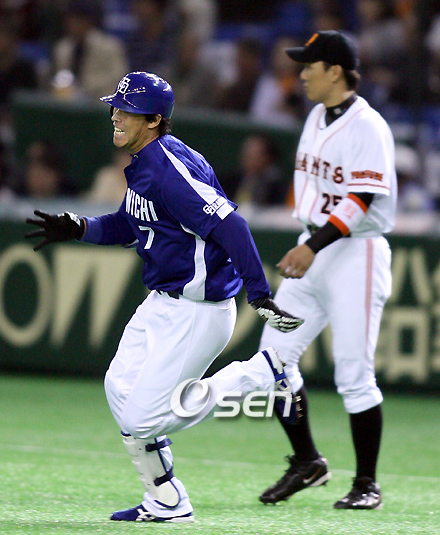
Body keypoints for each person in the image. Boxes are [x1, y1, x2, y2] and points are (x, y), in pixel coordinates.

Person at [25, 71, 304, 523]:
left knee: (144, 419)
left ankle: (264, 372)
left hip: (198, 310)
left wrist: (258, 292)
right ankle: (167, 499)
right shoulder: (147, 159)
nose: (115, 116)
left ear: (154, 119)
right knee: (119, 389)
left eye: (127, 110)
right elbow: (129, 224)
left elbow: (232, 225)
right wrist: (80, 227)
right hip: (162, 302)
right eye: (115, 107)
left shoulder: (168, 168)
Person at [257, 31, 396, 510]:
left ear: (335, 71)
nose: (301, 74)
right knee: (272, 360)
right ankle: (307, 462)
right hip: (314, 244)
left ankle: (367, 485)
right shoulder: (317, 115)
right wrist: (310, 243)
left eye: (309, 66)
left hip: (355, 252)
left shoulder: (368, 125)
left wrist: (312, 247)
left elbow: (362, 198)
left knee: (354, 372)